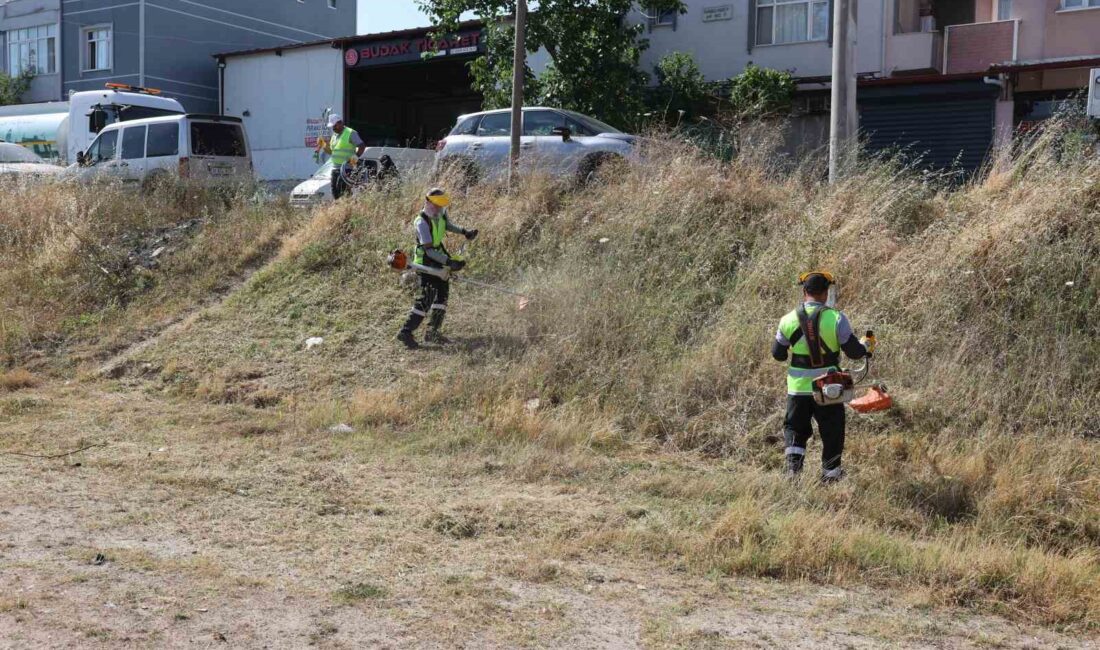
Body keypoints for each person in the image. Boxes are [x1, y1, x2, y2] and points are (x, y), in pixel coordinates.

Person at [771, 271, 873, 482]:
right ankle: (831, 476)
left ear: (804, 291)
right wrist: (865, 347)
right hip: (829, 389)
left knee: (795, 429)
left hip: (798, 388)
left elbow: (778, 354)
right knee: (832, 431)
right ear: (826, 293)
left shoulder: (787, 320)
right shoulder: (836, 318)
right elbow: (854, 352)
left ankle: (793, 472)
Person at [397, 188, 478, 349]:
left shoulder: (440, 212)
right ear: (428, 202)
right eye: (437, 205)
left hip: (438, 257)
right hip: (426, 262)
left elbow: (447, 224)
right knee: (426, 298)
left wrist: (464, 232)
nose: (440, 208)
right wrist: (449, 262)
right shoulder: (421, 222)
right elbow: (429, 250)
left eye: (441, 205)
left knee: (442, 294)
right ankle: (405, 332)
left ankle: (433, 332)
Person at [323, 114, 366, 200]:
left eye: (335, 126)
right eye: (332, 126)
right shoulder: (334, 136)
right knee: (336, 194)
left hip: (346, 170)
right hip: (335, 169)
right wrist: (324, 146)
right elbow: (333, 152)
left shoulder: (351, 133)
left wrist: (352, 161)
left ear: (340, 123)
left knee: (344, 194)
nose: (333, 128)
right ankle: (342, 211)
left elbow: (362, 146)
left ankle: (348, 210)